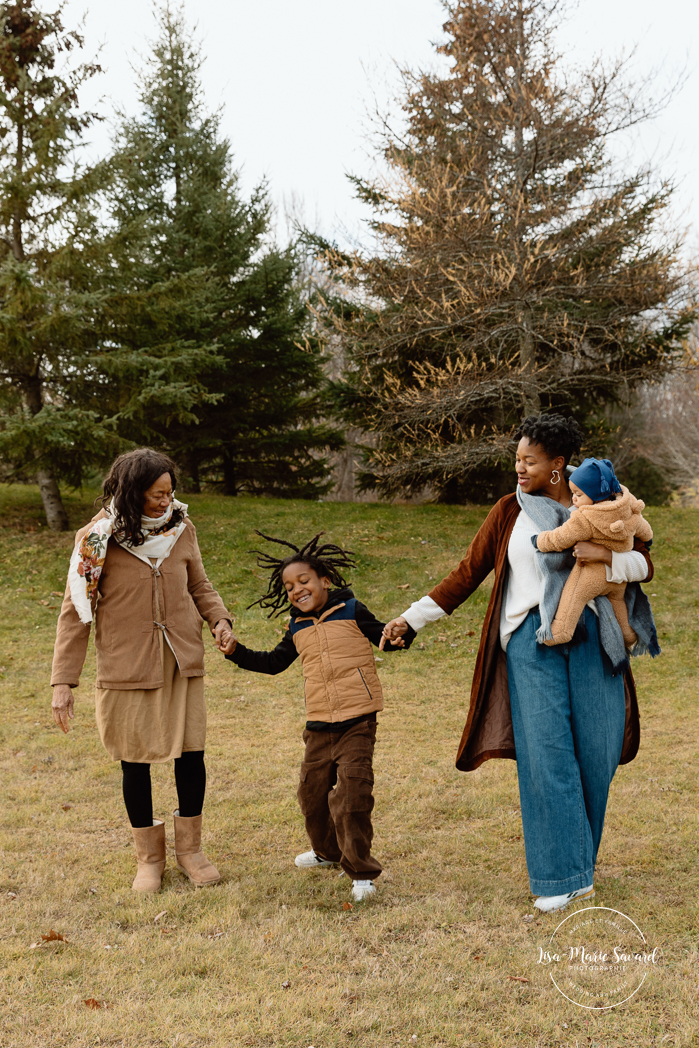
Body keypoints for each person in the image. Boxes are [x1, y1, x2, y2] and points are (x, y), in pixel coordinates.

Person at [380, 414, 659, 913]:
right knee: (546, 755)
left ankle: (579, 866)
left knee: (596, 754)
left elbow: (644, 563)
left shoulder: (602, 502)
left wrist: (600, 558)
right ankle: (561, 876)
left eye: (529, 461)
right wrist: (411, 619)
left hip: (596, 635)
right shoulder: (510, 511)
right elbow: (467, 573)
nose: (520, 469)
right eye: (516, 460)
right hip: (532, 642)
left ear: (558, 465)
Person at [50, 448, 231, 893]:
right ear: (131, 491)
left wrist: (220, 619)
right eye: (156, 494)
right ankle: (149, 860)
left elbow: (199, 584)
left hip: (180, 659)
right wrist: (62, 681)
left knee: (191, 754)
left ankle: (191, 852)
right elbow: (75, 610)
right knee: (135, 760)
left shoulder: (181, 529)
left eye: (169, 493)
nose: (165, 502)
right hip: (126, 664)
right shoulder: (95, 539)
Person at [218, 531, 414, 903]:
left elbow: (384, 638)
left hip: (357, 720)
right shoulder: (297, 626)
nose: (296, 590)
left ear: (325, 580)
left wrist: (400, 635)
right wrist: (235, 651)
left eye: (303, 581)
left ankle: (361, 873)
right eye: (288, 586)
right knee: (311, 795)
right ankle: (326, 852)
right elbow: (274, 664)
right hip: (318, 724)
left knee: (352, 795)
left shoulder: (353, 610)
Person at [535, 457, 653, 647]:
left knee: (574, 595)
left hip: (593, 573)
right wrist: (648, 539)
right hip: (618, 580)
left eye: (579, 494)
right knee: (617, 602)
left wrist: (540, 540)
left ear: (595, 495)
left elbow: (561, 538)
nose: (574, 498)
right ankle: (628, 635)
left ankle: (560, 632)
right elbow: (644, 529)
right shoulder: (628, 509)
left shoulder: (586, 518)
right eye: (572, 493)